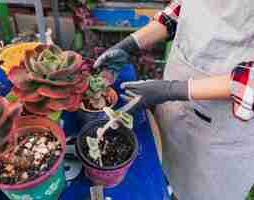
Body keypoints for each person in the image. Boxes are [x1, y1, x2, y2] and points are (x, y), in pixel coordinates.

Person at [93, 1, 254, 199]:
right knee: (163, 167)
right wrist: (130, 45)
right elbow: (185, 9)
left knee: (200, 191)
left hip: (221, 130)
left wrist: (172, 89)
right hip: (176, 104)